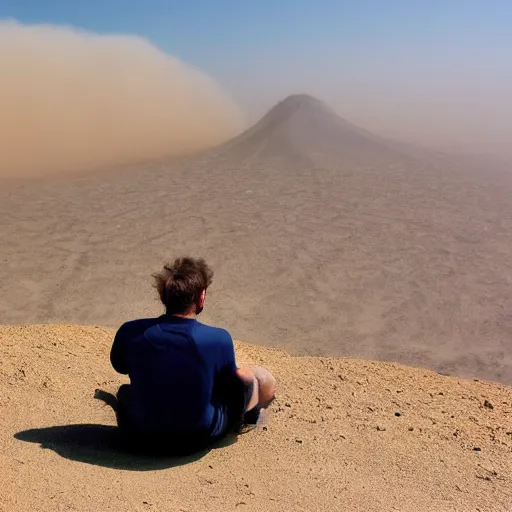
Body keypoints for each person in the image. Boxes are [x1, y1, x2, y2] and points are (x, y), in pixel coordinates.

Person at [110, 256, 276, 455]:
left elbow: (120, 365)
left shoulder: (130, 331)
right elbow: (229, 384)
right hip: (196, 439)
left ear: (163, 296)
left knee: (125, 391)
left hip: (139, 434)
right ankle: (251, 417)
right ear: (201, 297)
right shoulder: (218, 339)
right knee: (252, 376)